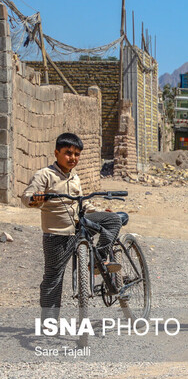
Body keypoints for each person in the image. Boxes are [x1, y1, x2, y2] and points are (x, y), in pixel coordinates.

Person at [22, 133, 123, 319]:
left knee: (114, 220)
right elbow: (26, 197)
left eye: (77, 154)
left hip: (80, 227)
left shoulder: (75, 177)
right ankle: (49, 322)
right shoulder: (45, 175)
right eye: (68, 153)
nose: (73, 158)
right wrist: (35, 198)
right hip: (57, 235)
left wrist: (98, 211)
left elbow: (81, 203)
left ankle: (99, 260)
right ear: (56, 153)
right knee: (53, 278)